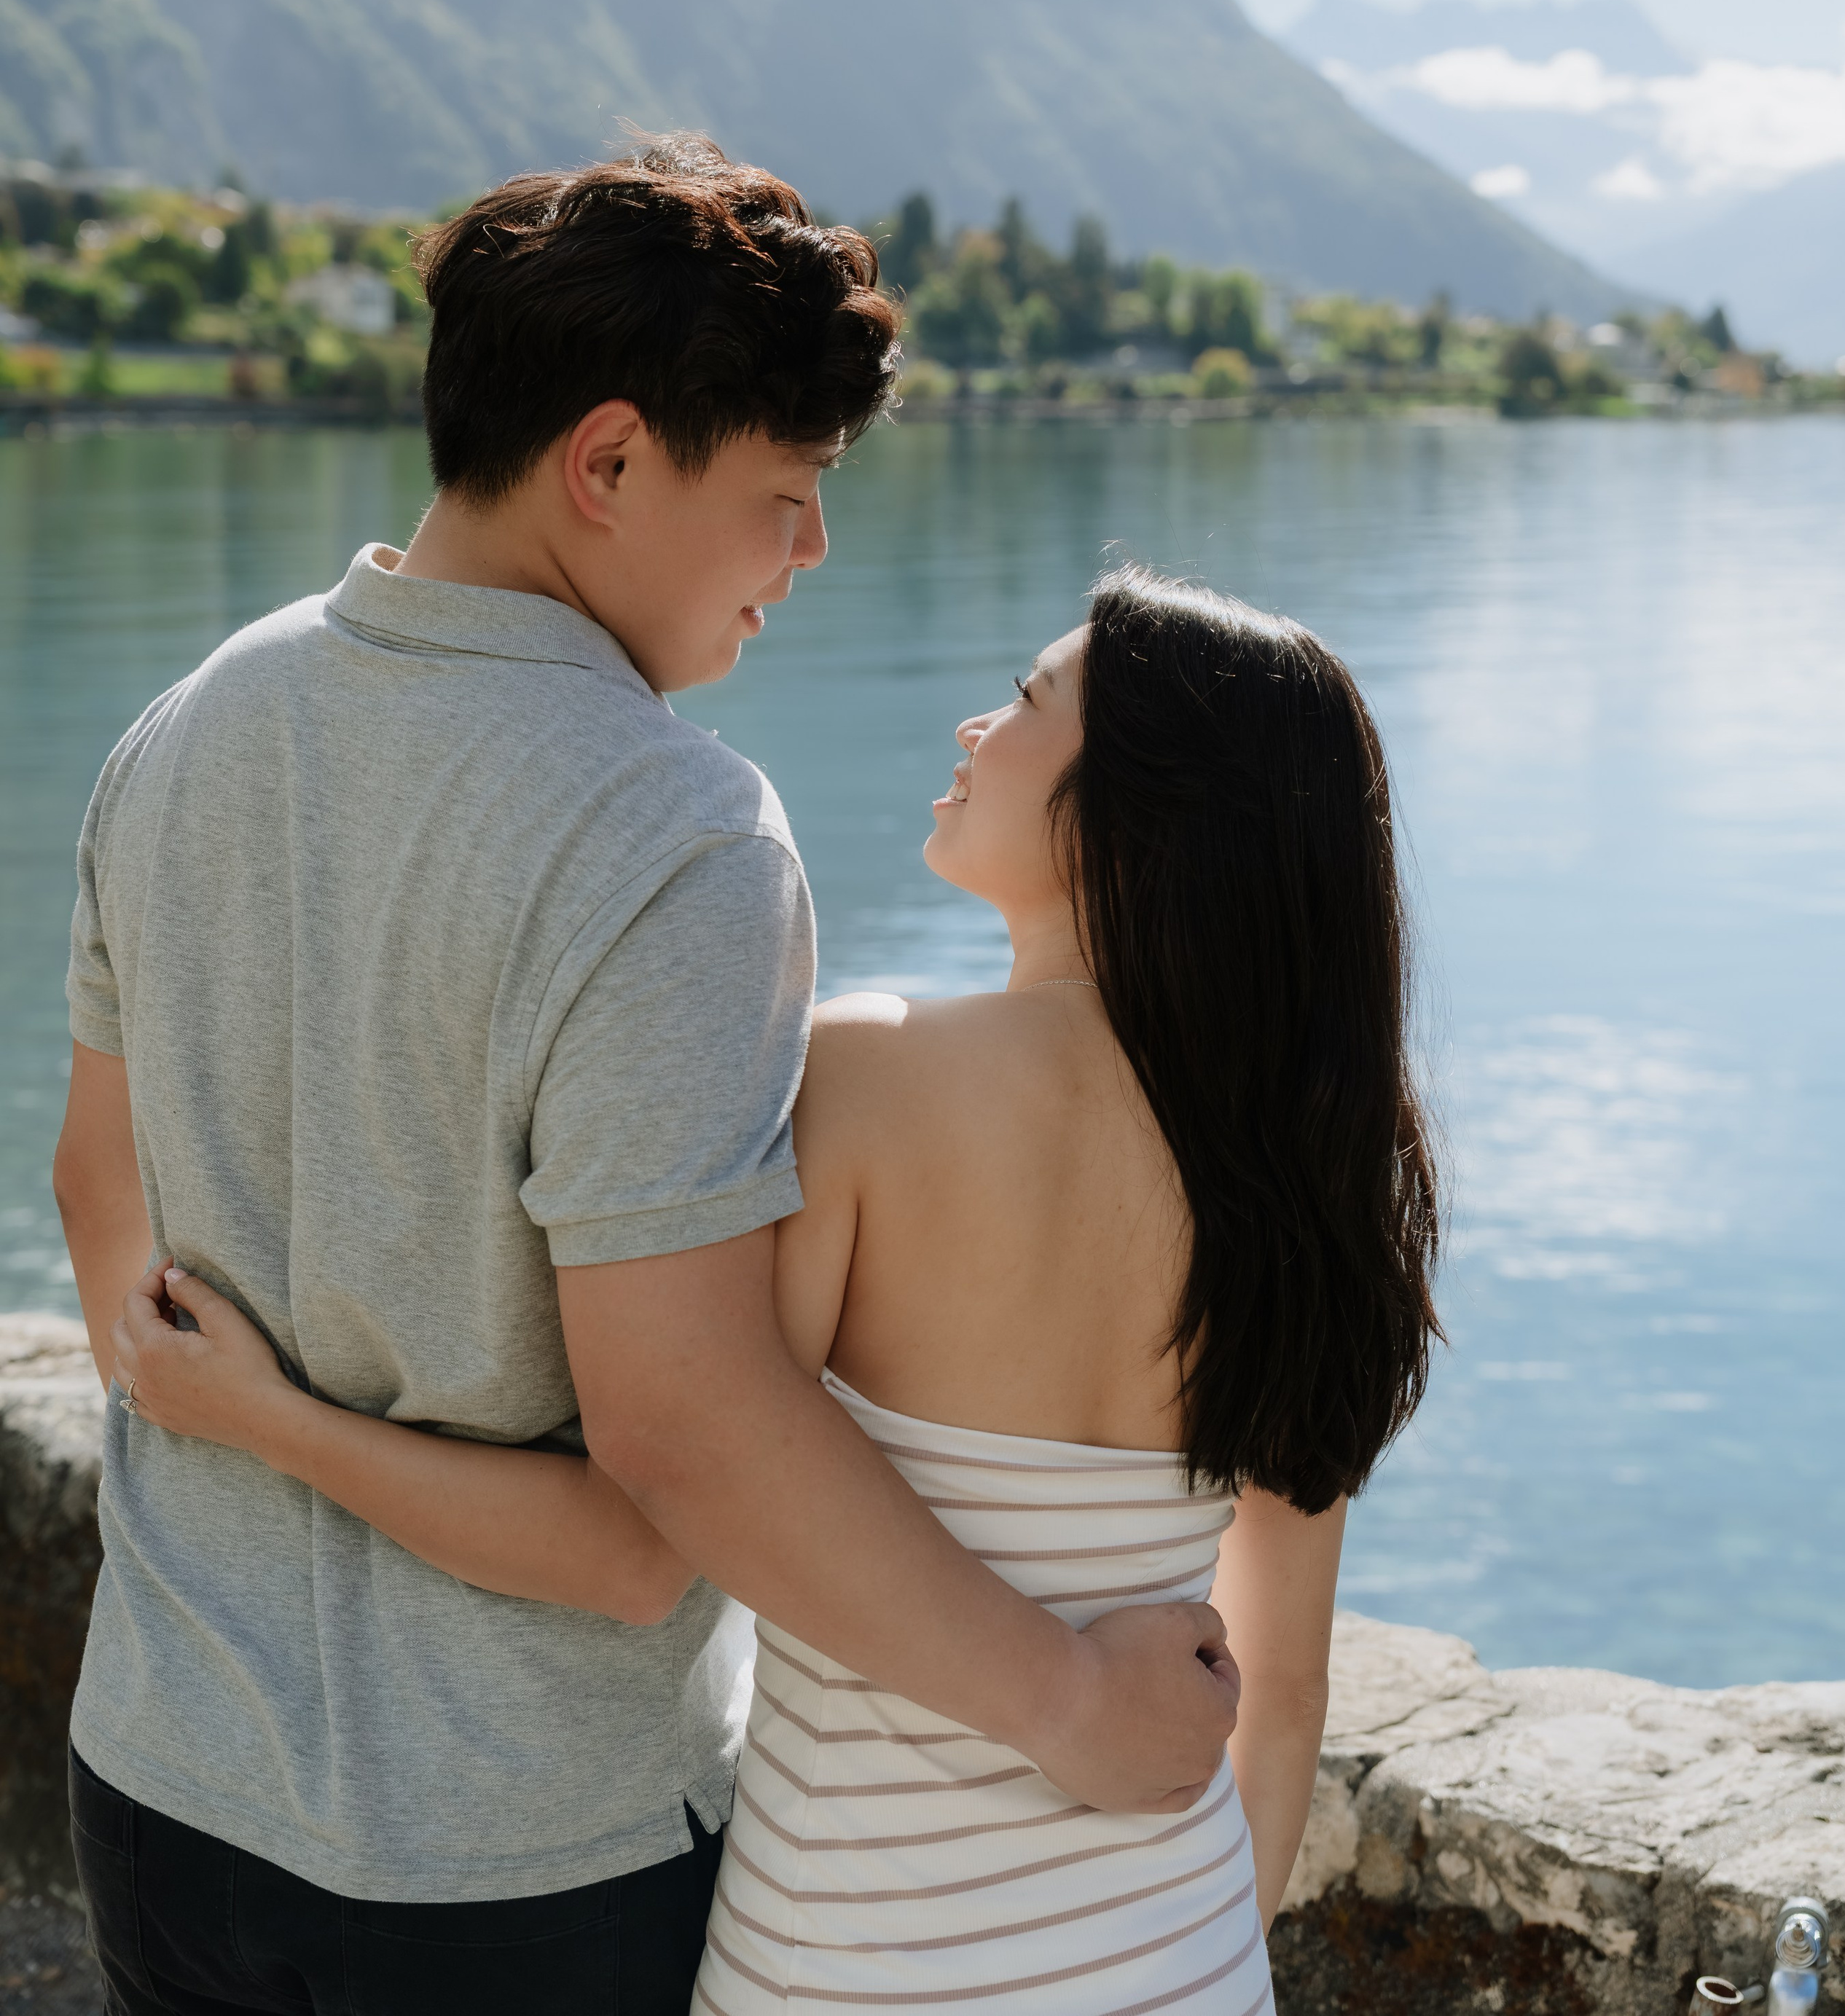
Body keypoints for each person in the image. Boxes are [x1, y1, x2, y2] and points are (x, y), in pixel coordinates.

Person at [52, 146, 1242, 2016]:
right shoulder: (674, 834)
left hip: (159, 1781)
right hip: (512, 1867)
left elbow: (102, 1220)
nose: (812, 556)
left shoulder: (179, 727)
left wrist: (268, 1418)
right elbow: (667, 1470)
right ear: (605, 465)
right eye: (783, 496)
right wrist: (1067, 1700)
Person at [110, 565, 1444, 2013]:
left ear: (1134, 807)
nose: (970, 727)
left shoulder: (864, 1081)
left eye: (1022, 701)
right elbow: (1284, 1691)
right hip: (1174, 1959)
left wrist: (274, 1418)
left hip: (843, 1965)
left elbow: (658, 1510)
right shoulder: (1318, 1173)